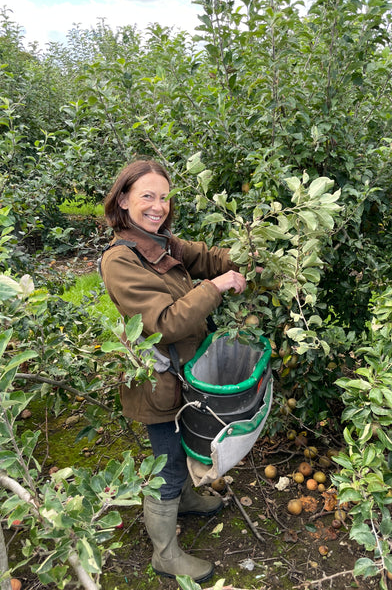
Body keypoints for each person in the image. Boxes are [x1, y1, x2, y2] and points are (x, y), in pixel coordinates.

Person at [101, 159, 247, 583]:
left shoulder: (160, 243)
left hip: (186, 371)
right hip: (159, 384)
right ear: (124, 199)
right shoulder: (121, 260)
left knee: (183, 447)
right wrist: (214, 287)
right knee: (166, 463)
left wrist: (256, 255)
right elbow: (163, 323)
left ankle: (186, 499)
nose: (158, 206)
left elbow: (206, 257)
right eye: (147, 195)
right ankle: (165, 554)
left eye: (163, 197)